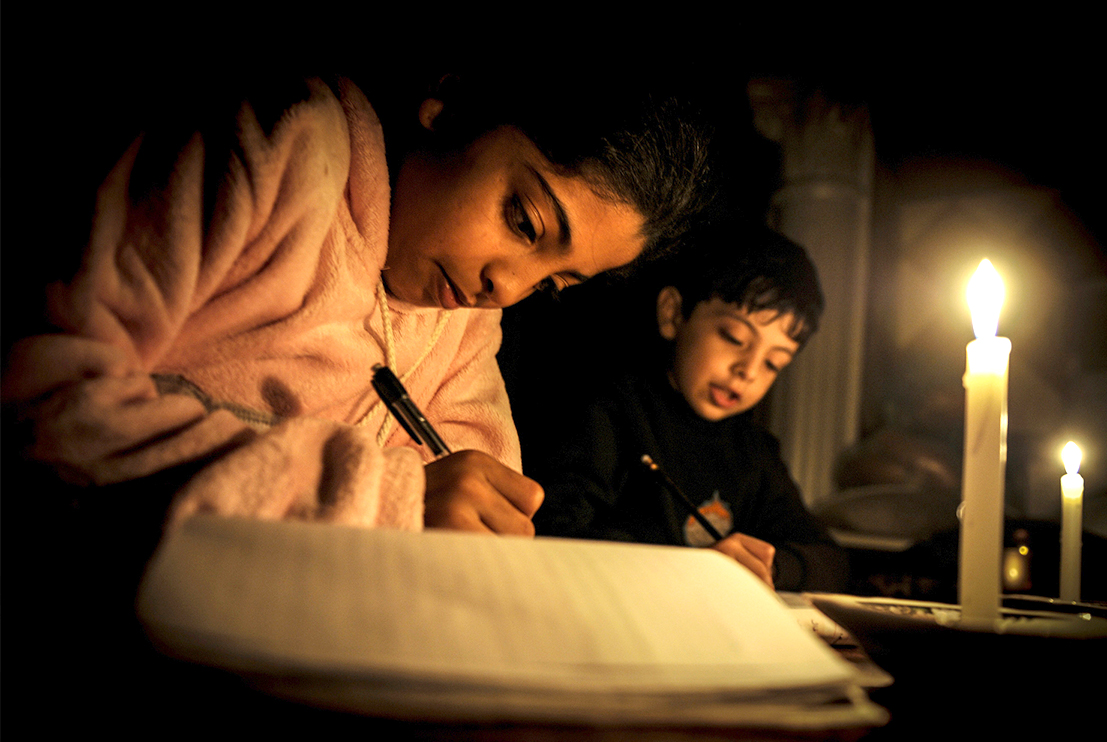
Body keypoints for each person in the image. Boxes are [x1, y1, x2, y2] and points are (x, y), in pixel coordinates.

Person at [1, 65, 716, 541]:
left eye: (554, 283)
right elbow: (41, 397)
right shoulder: (279, 150)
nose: (509, 287)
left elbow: (475, 505)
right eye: (524, 222)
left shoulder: (465, 326)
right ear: (453, 107)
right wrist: (390, 499)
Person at [533, 227, 848, 592]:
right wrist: (690, 568)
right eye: (734, 338)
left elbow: (832, 561)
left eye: (773, 363)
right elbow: (555, 527)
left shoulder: (754, 453)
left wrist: (769, 567)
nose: (748, 370)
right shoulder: (610, 410)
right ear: (673, 313)